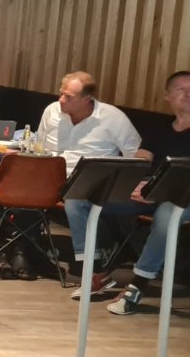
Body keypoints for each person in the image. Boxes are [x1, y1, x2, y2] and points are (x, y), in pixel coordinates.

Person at [36, 71, 142, 294]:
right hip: (49, 178)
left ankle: (91, 269)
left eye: (68, 97)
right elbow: (39, 145)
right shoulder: (51, 112)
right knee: (14, 185)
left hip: (92, 183)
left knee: (75, 199)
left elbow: (137, 157)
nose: (61, 100)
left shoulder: (112, 118)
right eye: (61, 94)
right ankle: (26, 252)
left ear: (87, 99)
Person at [99, 71, 190, 315]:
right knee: (93, 200)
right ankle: (95, 266)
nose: (188, 94)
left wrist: (157, 191)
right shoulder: (159, 128)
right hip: (153, 192)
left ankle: (138, 285)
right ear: (167, 96)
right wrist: (137, 183)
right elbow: (142, 161)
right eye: (181, 89)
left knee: (168, 215)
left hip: (183, 197)